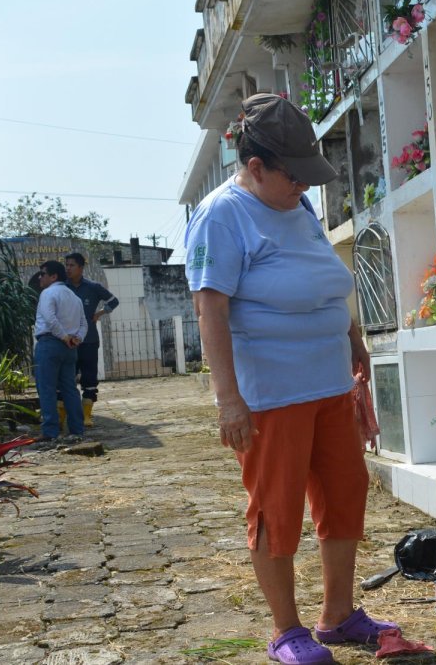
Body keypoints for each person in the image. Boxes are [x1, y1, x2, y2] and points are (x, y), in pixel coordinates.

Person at [184, 93, 398, 665]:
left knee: (344, 494)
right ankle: (286, 630)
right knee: (276, 511)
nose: (303, 187)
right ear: (255, 167)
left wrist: (353, 339)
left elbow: (322, 277)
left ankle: (338, 615)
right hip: (271, 395)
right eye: (293, 176)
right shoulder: (222, 215)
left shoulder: (297, 207)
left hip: (329, 385)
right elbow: (211, 311)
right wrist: (228, 399)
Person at [62, 252, 119, 427]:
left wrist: (100, 313)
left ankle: (87, 416)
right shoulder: (63, 288)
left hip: (89, 341)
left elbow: (113, 301)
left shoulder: (93, 287)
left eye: (72, 265)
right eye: (67, 265)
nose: (68, 268)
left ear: (81, 267)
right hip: (68, 342)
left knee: (89, 379)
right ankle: (62, 417)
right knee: (66, 379)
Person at [34, 260, 87, 441]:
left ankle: (50, 431)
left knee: (46, 388)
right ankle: (77, 429)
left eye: (43, 274)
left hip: (50, 342)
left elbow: (50, 318)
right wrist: (76, 339)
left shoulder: (48, 293)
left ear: (53, 276)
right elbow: (83, 324)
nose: (40, 278)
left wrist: (63, 336)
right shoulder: (74, 297)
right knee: (70, 389)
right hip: (70, 347)